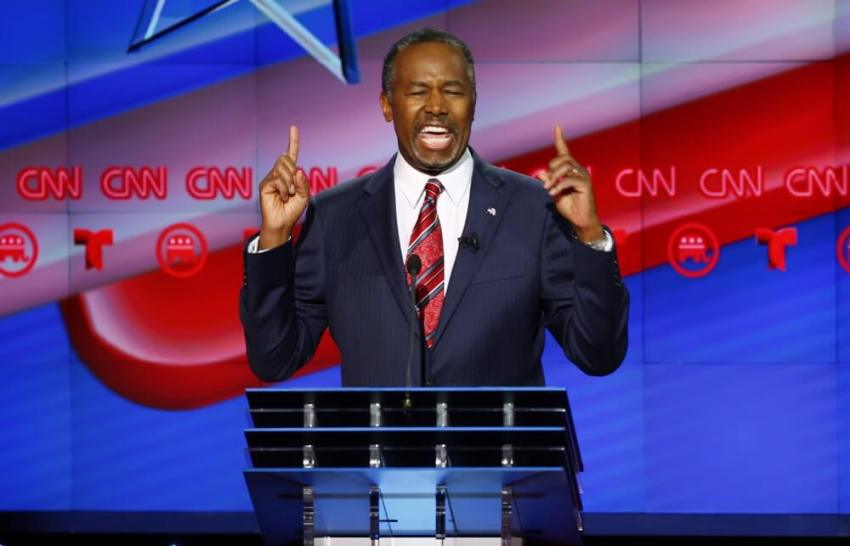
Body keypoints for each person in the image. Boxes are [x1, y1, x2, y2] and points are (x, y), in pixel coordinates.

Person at [240, 28, 628, 386]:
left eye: (453, 91)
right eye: (417, 91)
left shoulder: (532, 209)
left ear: (473, 105)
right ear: (387, 105)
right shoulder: (336, 217)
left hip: (501, 457)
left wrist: (590, 236)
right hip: (382, 457)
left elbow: (598, 355)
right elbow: (275, 359)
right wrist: (274, 239)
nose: (436, 106)